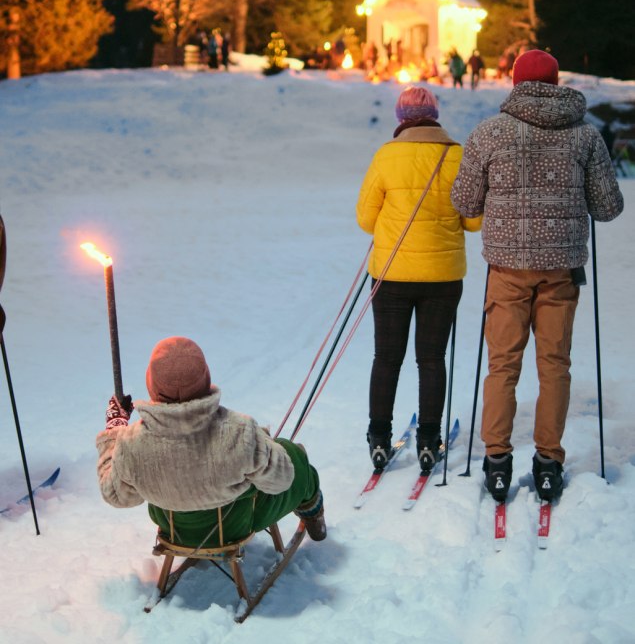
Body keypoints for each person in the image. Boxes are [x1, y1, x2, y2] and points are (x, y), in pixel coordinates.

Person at [451, 49, 624, 503]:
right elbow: (608, 208)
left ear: (514, 82)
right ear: (556, 81)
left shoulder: (489, 132)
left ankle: (497, 461)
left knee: (502, 365)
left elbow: (465, 202)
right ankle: (549, 463)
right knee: (555, 366)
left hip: (506, 269)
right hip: (561, 270)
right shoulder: (586, 137)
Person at [356, 86, 482, 474]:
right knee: (431, 359)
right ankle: (429, 440)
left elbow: (365, 219)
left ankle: (379, 438)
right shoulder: (457, 155)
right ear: (434, 116)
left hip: (392, 274)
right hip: (443, 277)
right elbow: (473, 222)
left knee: (386, 357)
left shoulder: (386, 155)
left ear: (399, 118)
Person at [96, 336, 326, 547]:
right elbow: (280, 481)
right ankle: (313, 514)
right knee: (295, 458)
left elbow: (116, 495)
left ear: (151, 384)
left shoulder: (130, 443)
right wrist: (262, 443)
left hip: (173, 529)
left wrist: (115, 432)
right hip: (235, 525)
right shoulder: (239, 432)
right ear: (206, 379)